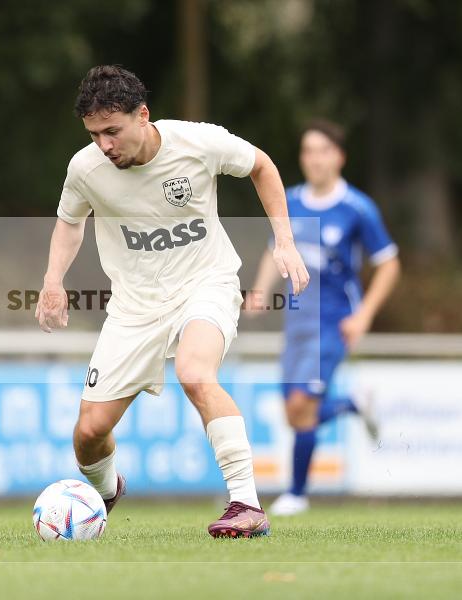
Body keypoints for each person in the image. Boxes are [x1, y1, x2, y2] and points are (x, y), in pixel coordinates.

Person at [34, 65, 309, 538]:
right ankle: (105, 492)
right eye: (95, 134)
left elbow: (262, 166)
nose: (104, 145)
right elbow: (70, 221)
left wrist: (284, 240)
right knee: (89, 432)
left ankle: (246, 504)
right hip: (133, 306)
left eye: (112, 131)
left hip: (206, 282)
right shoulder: (85, 169)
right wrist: (52, 280)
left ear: (142, 115)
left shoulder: (198, 142)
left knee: (195, 371)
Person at [246, 119, 401, 516]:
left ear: (339, 157)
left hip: (334, 323)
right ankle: (353, 404)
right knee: (293, 412)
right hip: (296, 322)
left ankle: (296, 495)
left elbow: (389, 264)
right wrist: (260, 290)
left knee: (302, 405)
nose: (314, 159)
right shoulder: (290, 201)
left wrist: (364, 315)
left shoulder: (357, 208)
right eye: (308, 151)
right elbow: (275, 250)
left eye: (322, 151)